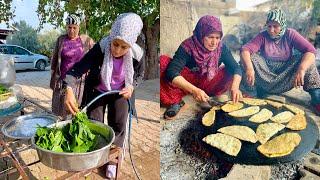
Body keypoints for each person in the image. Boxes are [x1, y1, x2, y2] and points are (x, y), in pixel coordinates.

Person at [63, 13, 144, 178]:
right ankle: (95, 158)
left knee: (118, 127)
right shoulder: (101, 47)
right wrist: (69, 89)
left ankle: (112, 162)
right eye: (115, 44)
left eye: (124, 47)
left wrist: (132, 87)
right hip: (98, 91)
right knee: (94, 124)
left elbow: (139, 76)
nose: (117, 50)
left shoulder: (137, 54)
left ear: (131, 45)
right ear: (111, 37)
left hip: (120, 93)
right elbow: (78, 68)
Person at [160, 15, 243, 119]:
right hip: (187, 83)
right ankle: (176, 102)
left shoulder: (221, 48)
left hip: (208, 82)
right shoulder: (187, 46)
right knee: (163, 62)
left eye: (217, 38)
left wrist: (235, 87)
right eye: (210, 37)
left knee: (231, 71)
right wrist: (195, 90)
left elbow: (236, 67)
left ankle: (211, 96)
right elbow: (172, 72)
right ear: (201, 34)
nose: (214, 42)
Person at [240, 8, 320, 114]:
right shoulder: (263, 36)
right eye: (269, 26)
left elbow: (311, 50)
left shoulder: (290, 34)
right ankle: (251, 93)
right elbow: (245, 50)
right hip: (266, 78)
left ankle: (317, 98)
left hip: (286, 77)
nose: (271, 30)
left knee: (307, 61)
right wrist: (250, 68)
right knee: (248, 58)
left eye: (275, 26)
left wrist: (301, 69)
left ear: (282, 24)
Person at [50, 14, 94, 118]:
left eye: (75, 27)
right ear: (66, 27)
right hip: (63, 81)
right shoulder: (61, 40)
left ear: (79, 27)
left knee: (75, 111)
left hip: (79, 83)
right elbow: (55, 58)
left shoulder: (86, 40)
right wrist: (53, 76)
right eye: (69, 27)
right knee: (60, 112)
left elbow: (95, 55)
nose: (72, 30)